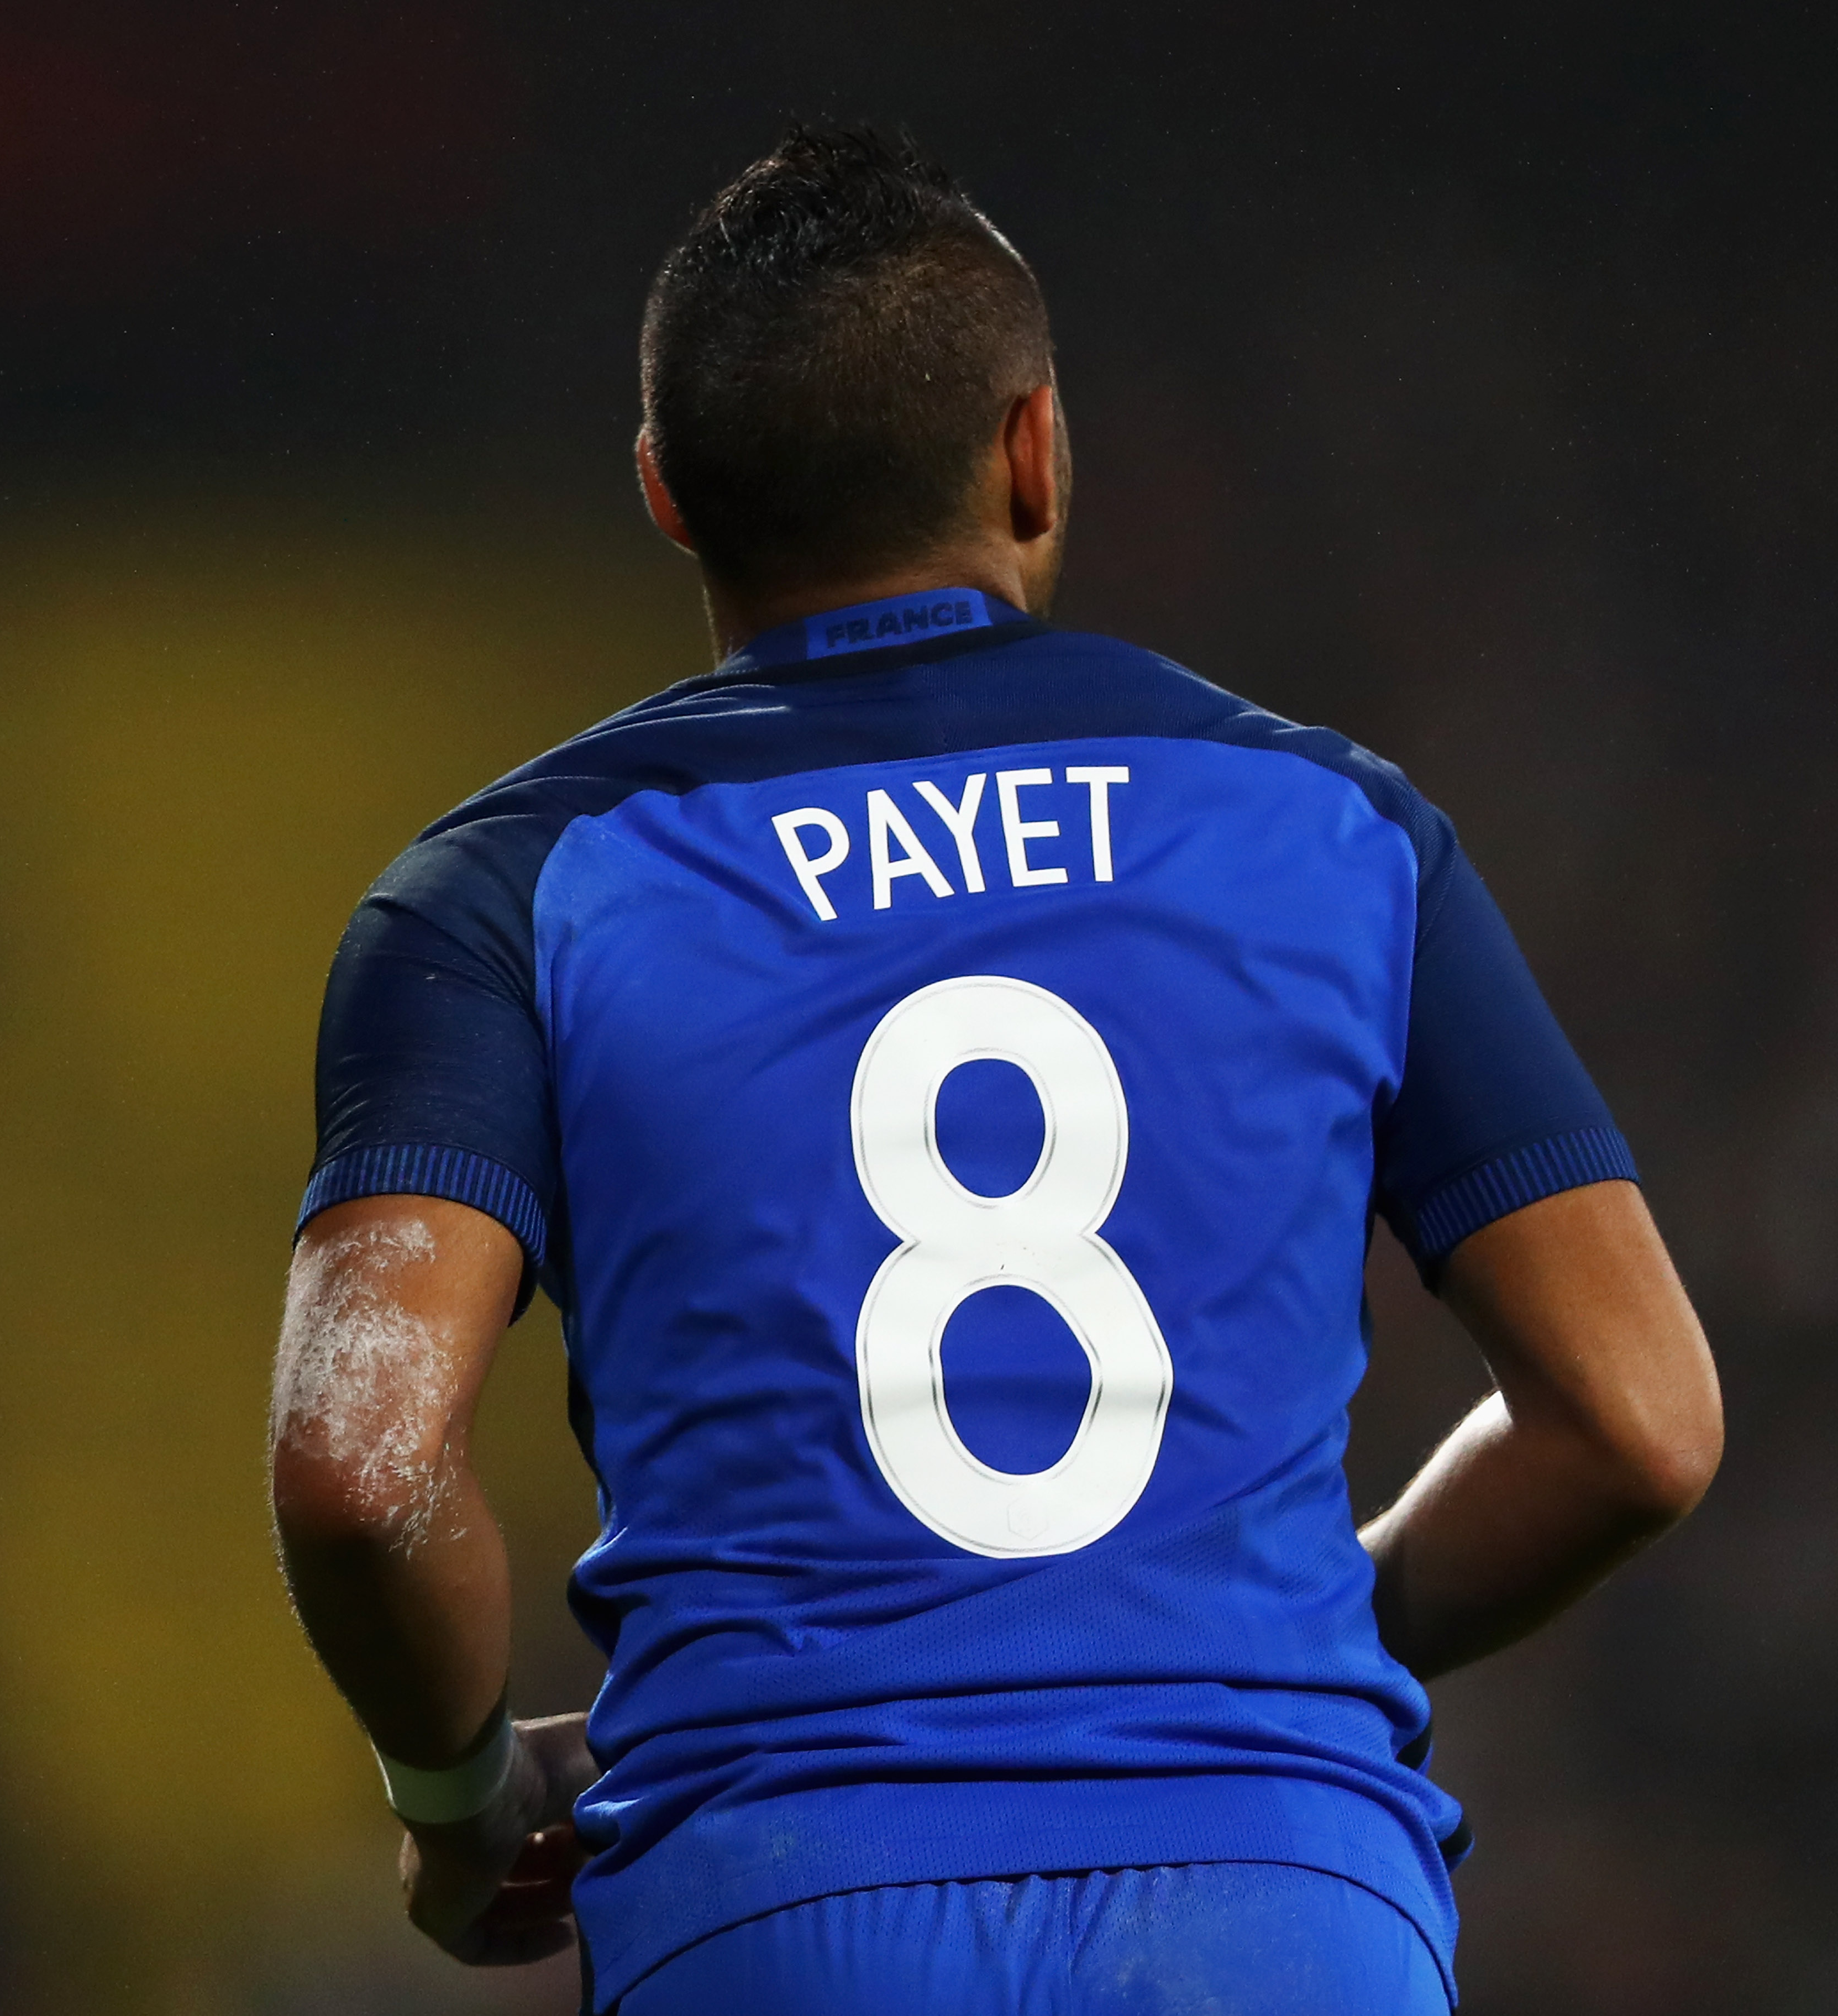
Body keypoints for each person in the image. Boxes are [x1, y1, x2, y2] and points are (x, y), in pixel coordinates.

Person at [266, 127, 1721, 2015]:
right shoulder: (1335, 830)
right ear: (1035, 449)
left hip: (784, 1914)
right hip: (1282, 1910)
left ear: (665, 497)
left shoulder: (502, 897)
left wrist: (460, 1803)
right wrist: (1253, 1648)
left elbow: (360, 1473)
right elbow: (1640, 1422)